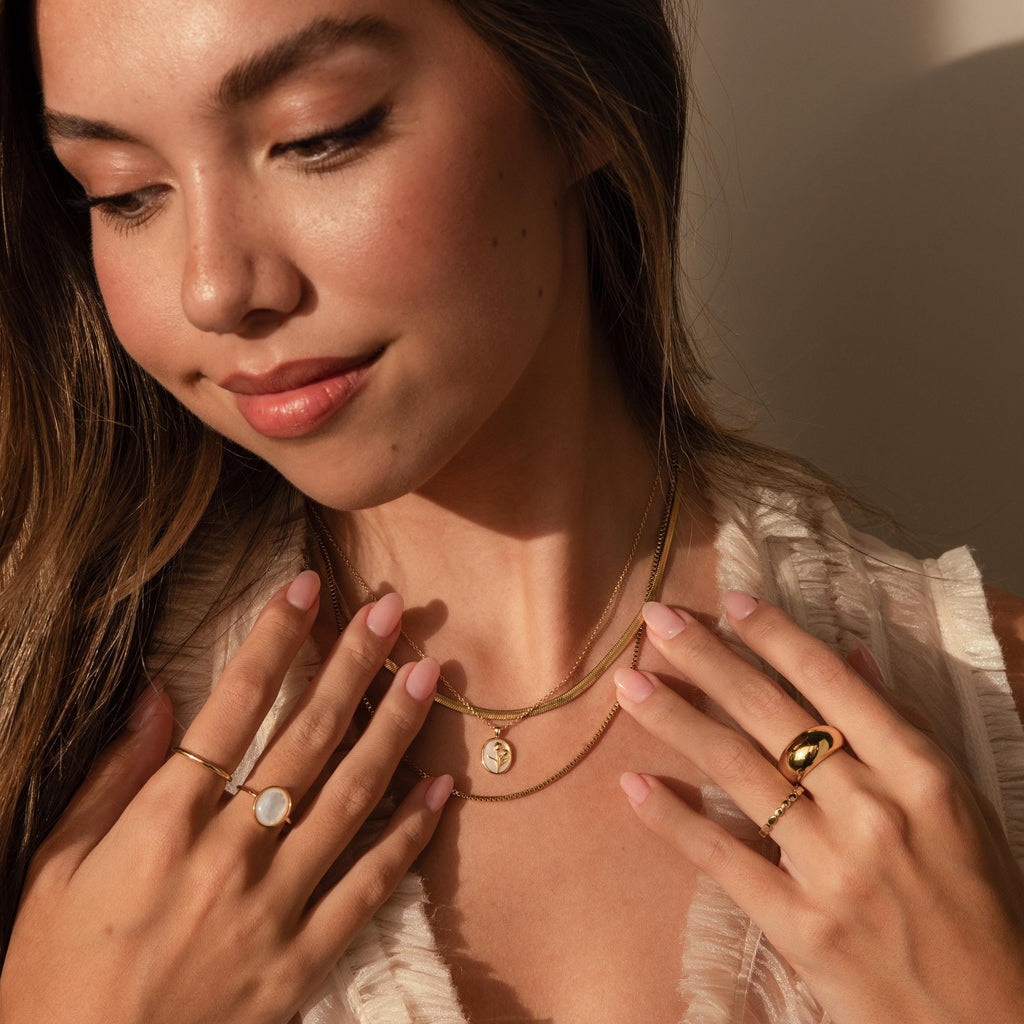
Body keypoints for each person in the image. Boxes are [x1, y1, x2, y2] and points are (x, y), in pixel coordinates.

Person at [1, 0, 1022, 1020]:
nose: (215, 287)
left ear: (579, 98)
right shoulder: (45, 734)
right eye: (124, 194)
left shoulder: (983, 710)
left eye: (316, 135)